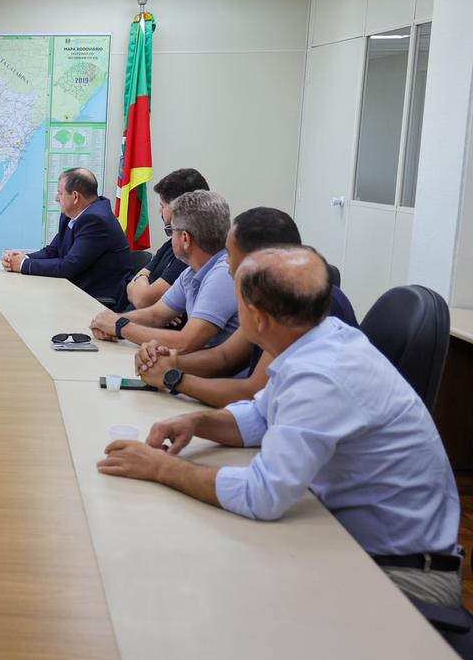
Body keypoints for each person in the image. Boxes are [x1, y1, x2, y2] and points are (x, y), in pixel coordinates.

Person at [98, 247, 463, 608]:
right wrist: (196, 421)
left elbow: (262, 495)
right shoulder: (319, 338)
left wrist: (160, 467)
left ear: (255, 317)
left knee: (210, 588)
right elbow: (260, 417)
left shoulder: (320, 375)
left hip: (401, 578)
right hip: (350, 541)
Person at [132, 207, 357, 407]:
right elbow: (225, 357)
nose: (226, 263)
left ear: (258, 261)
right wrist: (170, 362)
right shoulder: (272, 295)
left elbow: (254, 393)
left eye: (231, 255)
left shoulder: (306, 303)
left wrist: (173, 377)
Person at [90, 190, 237, 352]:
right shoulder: (191, 272)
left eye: (171, 230)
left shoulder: (223, 275)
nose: (170, 236)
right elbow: (155, 316)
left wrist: (120, 327)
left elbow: (186, 342)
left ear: (185, 239)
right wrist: (110, 321)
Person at [2, 167, 132, 303]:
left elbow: (68, 266)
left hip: (97, 297)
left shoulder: (96, 220)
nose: (57, 198)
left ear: (75, 196)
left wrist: (22, 265)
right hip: (75, 289)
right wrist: (21, 258)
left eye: (60, 193)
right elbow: (53, 251)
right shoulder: (72, 215)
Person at [123, 168, 210, 310]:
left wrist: (142, 282)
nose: (160, 211)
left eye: (162, 206)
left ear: (179, 209)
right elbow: (132, 289)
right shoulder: (172, 243)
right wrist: (142, 280)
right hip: (137, 320)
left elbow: (141, 300)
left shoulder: (190, 252)